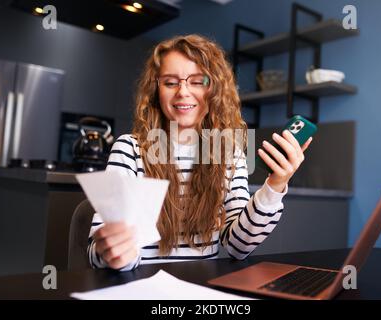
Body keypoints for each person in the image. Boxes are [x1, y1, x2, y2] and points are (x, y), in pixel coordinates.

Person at [88, 34, 312, 271]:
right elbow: (96, 253)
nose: (183, 92)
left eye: (197, 81)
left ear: (214, 89)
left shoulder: (229, 154)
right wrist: (115, 253)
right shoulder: (129, 149)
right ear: (156, 90)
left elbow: (238, 246)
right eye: (170, 82)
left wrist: (275, 185)